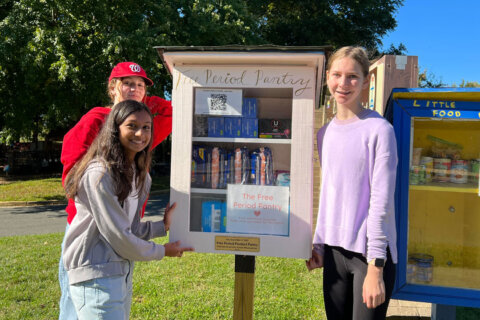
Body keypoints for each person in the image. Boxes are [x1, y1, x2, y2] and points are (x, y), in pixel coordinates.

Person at [58, 62, 173, 319]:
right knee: (73, 306)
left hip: (122, 226)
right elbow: (72, 169)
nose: (134, 89)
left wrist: (138, 102)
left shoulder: (143, 125)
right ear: (112, 88)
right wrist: (91, 204)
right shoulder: (95, 119)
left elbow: (172, 112)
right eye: (127, 83)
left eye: (140, 85)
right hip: (89, 225)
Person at [306, 46, 398, 319]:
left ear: (366, 80)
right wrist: (319, 244)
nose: (343, 84)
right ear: (327, 78)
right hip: (334, 252)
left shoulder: (380, 130)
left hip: (369, 256)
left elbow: (381, 203)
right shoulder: (325, 133)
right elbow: (330, 193)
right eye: (337, 75)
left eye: (352, 77)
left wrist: (375, 268)